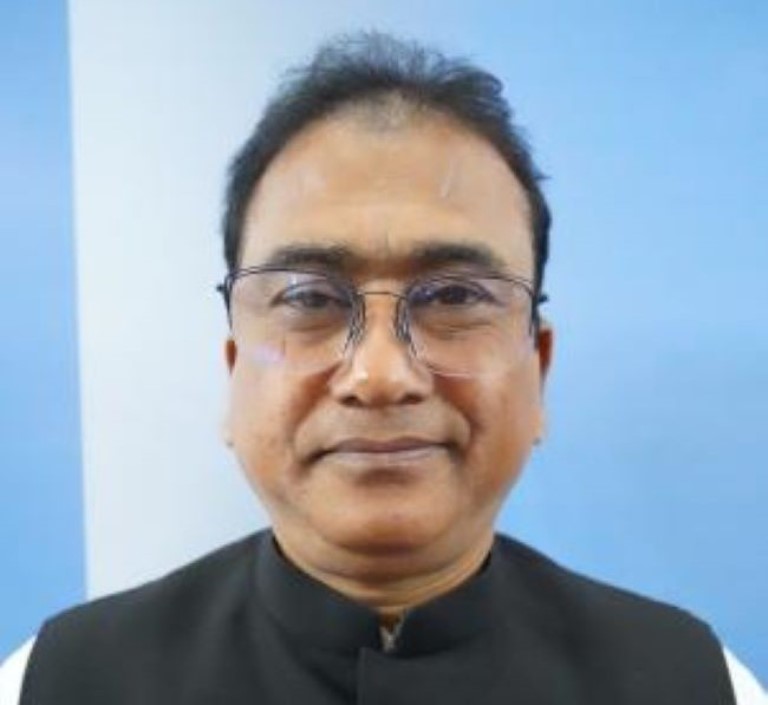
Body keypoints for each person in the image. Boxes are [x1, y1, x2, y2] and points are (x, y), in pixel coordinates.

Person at [0, 32, 764, 705]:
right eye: (309, 298)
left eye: (455, 296)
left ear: (539, 369)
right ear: (233, 371)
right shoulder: (58, 681)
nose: (379, 374)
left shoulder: (696, 683)